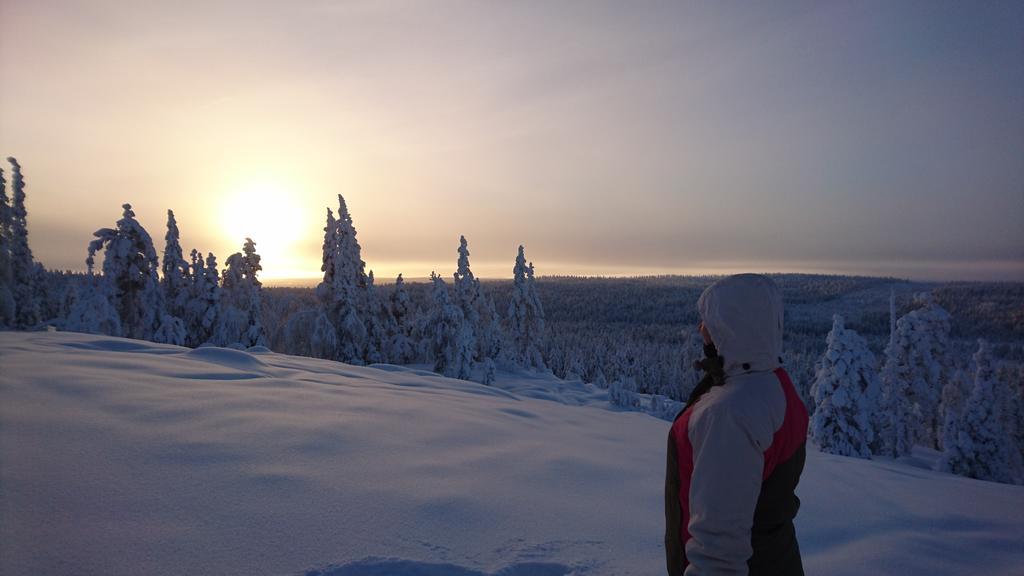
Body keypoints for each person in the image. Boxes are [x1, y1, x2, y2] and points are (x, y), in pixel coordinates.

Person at [665, 274, 809, 576]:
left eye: (708, 321)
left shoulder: (729, 414)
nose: (701, 329)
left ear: (730, 328)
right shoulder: (772, 384)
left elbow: (718, 553)